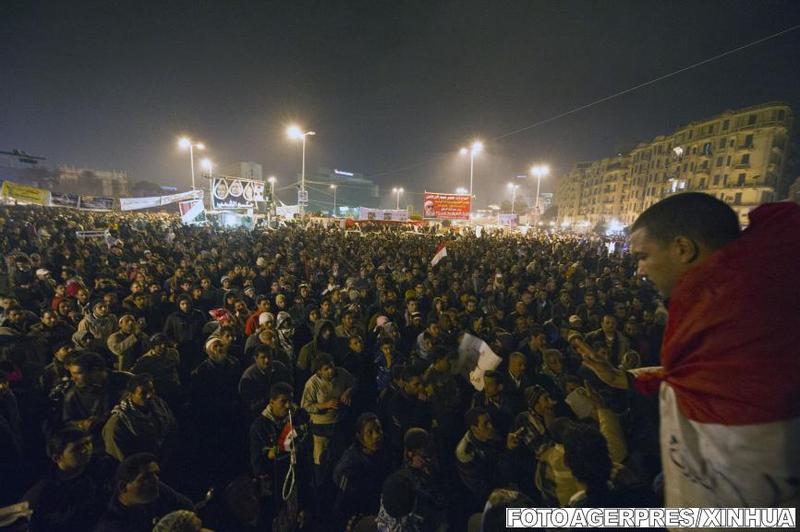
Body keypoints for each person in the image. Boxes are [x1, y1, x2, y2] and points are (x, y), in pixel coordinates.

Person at [583, 193, 800, 510]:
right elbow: (705, 382)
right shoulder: (709, 309)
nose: (640, 271)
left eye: (643, 256)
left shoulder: (744, 317)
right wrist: (626, 380)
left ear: (683, 248)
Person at [23, 427, 116, 531]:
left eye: (87, 443)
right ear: (57, 458)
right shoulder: (45, 490)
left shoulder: (103, 464)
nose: (86, 449)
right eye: (76, 448)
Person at [93, 452, 193, 532]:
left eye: (156, 474)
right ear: (123, 487)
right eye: (146, 478)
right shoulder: (111, 526)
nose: (155, 480)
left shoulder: (157, 489)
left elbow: (187, 506)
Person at [300, 353, 354, 483]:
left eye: (331, 366)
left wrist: (348, 391)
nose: (331, 371)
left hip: (339, 423)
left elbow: (353, 382)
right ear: (319, 372)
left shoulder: (342, 374)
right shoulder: (312, 384)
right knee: (321, 460)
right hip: (321, 428)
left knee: (340, 457)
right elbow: (305, 406)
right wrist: (324, 405)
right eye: (326, 369)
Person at [332, 412, 392, 526]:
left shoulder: (385, 451)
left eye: (378, 430)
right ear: (359, 437)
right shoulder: (349, 466)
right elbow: (342, 504)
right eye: (369, 432)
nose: (376, 436)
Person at [102, 373, 177, 461]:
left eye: (151, 390)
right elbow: (119, 456)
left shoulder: (161, 406)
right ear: (131, 395)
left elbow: (173, 428)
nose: (150, 396)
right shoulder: (118, 422)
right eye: (143, 393)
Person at [238, 345, 292, 419]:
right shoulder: (249, 377)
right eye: (263, 357)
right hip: (260, 415)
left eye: (269, 357)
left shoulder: (280, 368)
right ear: (256, 358)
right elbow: (249, 406)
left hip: (284, 410)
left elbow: (290, 387)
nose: (267, 360)